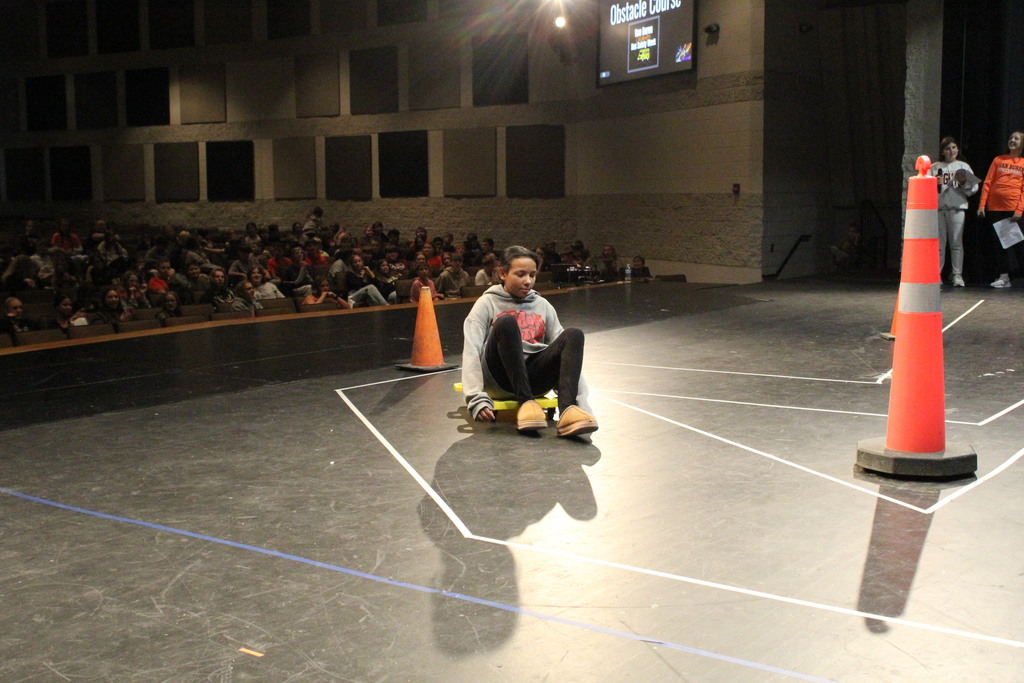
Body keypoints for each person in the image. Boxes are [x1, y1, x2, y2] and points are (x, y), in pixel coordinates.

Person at [461, 245, 598, 437]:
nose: (528, 281)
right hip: (499, 379)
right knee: (506, 322)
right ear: (502, 273)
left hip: (535, 379)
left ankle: (568, 410)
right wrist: (476, 397)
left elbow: (567, 357)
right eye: (520, 274)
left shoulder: (542, 305)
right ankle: (525, 403)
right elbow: (471, 350)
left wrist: (582, 403)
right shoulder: (487, 303)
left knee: (573, 335)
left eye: (532, 275)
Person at [977, 130, 1024, 288]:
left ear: (1022, 143)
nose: (1012, 140)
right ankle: (1004, 277)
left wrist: (1019, 210)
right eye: (1010, 138)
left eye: (1016, 139)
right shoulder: (998, 160)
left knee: (1018, 245)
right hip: (995, 207)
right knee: (999, 245)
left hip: (1013, 209)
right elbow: (988, 183)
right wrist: (982, 205)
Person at [931, 137, 979, 287]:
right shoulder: (935, 166)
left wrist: (963, 183)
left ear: (957, 149)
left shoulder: (963, 166)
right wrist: (934, 184)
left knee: (956, 243)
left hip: (957, 208)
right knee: (939, 244)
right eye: (947, 148)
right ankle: (936, 274)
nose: (951, 151)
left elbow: (973, 189)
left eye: (953, 147)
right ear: (943, 151)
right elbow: (926, 188)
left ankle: (957, 274)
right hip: (939, 209)